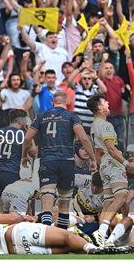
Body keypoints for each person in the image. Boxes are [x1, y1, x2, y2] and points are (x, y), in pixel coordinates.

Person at [21, 91, 97, 229]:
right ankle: (61, 233)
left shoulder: (41, 116)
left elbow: (27, 138)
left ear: (52, 102)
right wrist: (93, 159)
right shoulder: (72, 116)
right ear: (67, 102)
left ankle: (46, 232)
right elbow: (84, 138)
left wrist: (24, 156)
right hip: (67, 161)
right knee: (64, 201)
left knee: (47, 196)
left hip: (47, 160)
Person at [87, 94, 133, 246]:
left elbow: (98, 152)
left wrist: (100, 166)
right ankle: (102, 231)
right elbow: (111, 149)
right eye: (104, 101)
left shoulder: (94, 125)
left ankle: (102, 237)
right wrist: (126, 163)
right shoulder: (106, 125)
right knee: (121, 197)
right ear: (99, 107)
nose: (108, 102)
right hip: (113, 164)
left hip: (104, 166)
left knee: (107, 203)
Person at [0, 212, 134, 255]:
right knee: (67, 237)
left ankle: (93, 248)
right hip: (16, 232)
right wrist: (26, 218)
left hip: (17, 250)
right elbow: (15, 217)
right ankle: (94, 248)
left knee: (68, 246)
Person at [0, 109, 33, 213]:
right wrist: (30, 133)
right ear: (20, 121)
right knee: (21, 209)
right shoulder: (22, 135)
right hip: (12, 173)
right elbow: (33, 153)